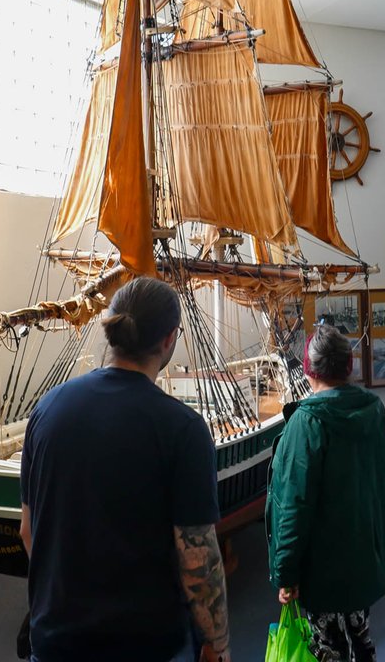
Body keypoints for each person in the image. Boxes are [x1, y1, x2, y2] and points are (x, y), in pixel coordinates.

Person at [19, 277, 230, 662]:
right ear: (169, 339)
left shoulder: (46, 411)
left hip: (56, 641)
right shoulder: (182, 429)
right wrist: (217, 643)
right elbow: (197, 559)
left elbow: (29, 531)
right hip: (147, 645)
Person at [267, 324, 385, 662]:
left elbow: (293, 506)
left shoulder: (308, 422)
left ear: (309, 369)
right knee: (360, 639)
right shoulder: (373, 410)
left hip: (320, 569)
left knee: (328, 649)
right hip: (363, 558)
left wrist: (286, 572)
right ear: (349, 365)